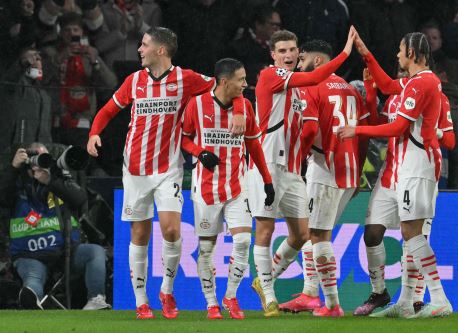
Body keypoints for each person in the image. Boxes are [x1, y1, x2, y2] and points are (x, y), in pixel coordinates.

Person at [86, 26, 246, 320]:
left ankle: (167, 290)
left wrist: (238, 108)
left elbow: (226, 85)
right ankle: (141, 301)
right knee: (140, 233)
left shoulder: (186, 79)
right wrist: (94, 133)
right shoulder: (134, 81)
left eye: (145, 45)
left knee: (171, 231)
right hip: (134, 170)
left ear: (161, 50)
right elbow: (109, 110)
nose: (140, 50)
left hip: (169, 168)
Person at [339, 30, 453, 318]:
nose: (397, 55)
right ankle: (404, 301)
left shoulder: (423, 82)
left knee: (411, 232)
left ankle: (439, 298)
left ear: (411, 54)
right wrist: (365, 52)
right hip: (404, 168)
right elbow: (388, 84)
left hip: (418, 165)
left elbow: (397, 128)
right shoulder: (415, 82)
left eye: (400, 50)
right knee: (404, 231)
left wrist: (358, 129)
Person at [247, 27, 355, 317]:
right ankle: (269, 297)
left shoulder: (297, 89)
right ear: (273, 55)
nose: (288, 55)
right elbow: (316, 76)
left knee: (303, 234)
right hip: (268, 166)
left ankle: (264, 280)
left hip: (293, 170)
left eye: (292, 50)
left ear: (298, 53)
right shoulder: (271, 75)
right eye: (281, 50)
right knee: (265, 229)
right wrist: (345, 53)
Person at [278, 40, 370, 317]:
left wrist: (298, 161)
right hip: (351, 169)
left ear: (318, 61)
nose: (299, 61)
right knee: (316, 231)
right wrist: (359, 171)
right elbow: (363, 134)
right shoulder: (351, 89)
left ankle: (332, 304)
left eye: (303, 57)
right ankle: (308, 294)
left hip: (324, 166)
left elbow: (309, 130)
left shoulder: (310, 86)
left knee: (318, 234)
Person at [181, 58, 274, 320]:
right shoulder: (196, 105)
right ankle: (211, 303)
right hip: (206, 188)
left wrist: (266, 180)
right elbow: (184, 139)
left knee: (243, 241)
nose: (246, 84)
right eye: (241, 79)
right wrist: (199, 153)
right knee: (207, 249)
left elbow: (254, 146)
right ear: (224, 82)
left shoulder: (244, 106)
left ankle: (230, 296)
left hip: (237, 185)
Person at [0, 143, 110, 310]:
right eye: (35, 157)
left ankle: (96, 300)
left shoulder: (58, 180)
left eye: (44, 157)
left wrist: (51, 180)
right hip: (30, 254)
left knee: (95, 252)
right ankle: (32, 301)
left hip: (65, 252)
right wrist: (14, 167)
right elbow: (2, 196)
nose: (40, 162)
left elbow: (80, 199)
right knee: (33, 278)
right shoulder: (18, 185)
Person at [41, 12, 117, 148]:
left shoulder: (89, 54)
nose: (71, 34)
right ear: (60, 32)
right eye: (67, 30)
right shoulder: (50, 53)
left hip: (82, 121)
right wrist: (59, 59)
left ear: (81, 33)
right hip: (55, 120)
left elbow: (110, 83)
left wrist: (95, 61)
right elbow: (41, 80)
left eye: (75, 30)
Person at [0, 48, 52, 154]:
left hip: (39, 152)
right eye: (33, 58)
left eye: (38, 58)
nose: (36, 61)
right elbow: (11, 78)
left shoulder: (45, 95)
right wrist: (22, 63)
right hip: (15, 149)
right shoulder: (16, 86)